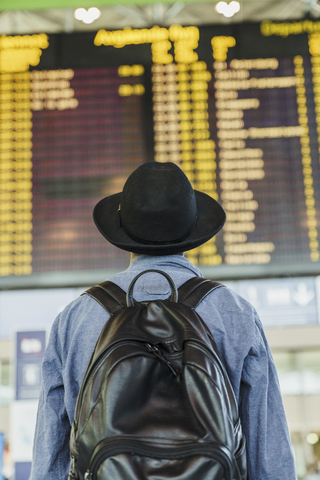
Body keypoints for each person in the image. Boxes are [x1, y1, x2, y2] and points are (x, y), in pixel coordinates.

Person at [29, 161, 297, 480]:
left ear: (122, 230)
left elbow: (51, 453)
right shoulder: (234, 311)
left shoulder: (76, 316)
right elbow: (268, 449)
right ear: (192, 228)